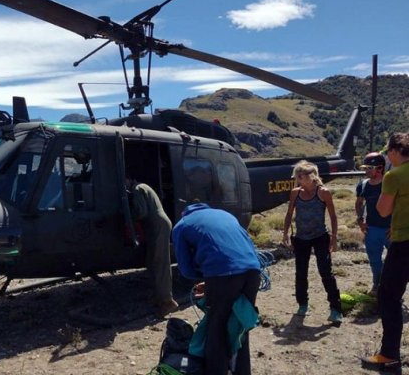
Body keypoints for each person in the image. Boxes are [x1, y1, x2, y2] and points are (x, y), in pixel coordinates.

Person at [172, 202, 261, 375]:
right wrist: (212, 280)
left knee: (216, 326)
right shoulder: (225, 214)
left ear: (184, 213)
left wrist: (208, 277)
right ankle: (242, 371)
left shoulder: (182, 225)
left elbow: (185, 269)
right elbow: (241, 248)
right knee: (240, 323)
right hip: (253, 270)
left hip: (223, 274)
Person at [361, 132, 409, 371]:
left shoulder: (395, 175)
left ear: (393, 152)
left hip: (404, 243)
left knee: (388, 297)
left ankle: (389, 355)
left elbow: (382, 210)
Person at [282, 160, 343, 324]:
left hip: (320, 237)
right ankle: (303, 304)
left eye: (299, 176)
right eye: (297, 176)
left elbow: (333, 216)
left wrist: (334, 238)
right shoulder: (295, 192)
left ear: (310, 176)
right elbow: (289, 214)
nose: (297, 179)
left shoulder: (323, 192)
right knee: (301, 272)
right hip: (301, 238)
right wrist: (286, 232)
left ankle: (336, 308)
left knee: (325, 272)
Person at [126, 178, 178, 318]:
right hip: (158, 225)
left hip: (157, 226)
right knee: (152, 261)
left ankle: (167, 301)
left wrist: (128, 215)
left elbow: (141, 212)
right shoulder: (143, 186)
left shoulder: (137, 190)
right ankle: (158, 296)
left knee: (160, 263)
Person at [355, 152, 391, 296]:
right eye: (366, 167)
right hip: (372, 229)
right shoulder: (363, 185)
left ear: (380, 168)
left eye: (370, 168)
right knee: (375, 261)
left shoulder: (389, 183)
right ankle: (377, 285)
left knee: (396, 261)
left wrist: (395, 226)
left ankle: (393, 288)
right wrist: (360, 220)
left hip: (390, 229)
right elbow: (358, 203)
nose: (366, 171)